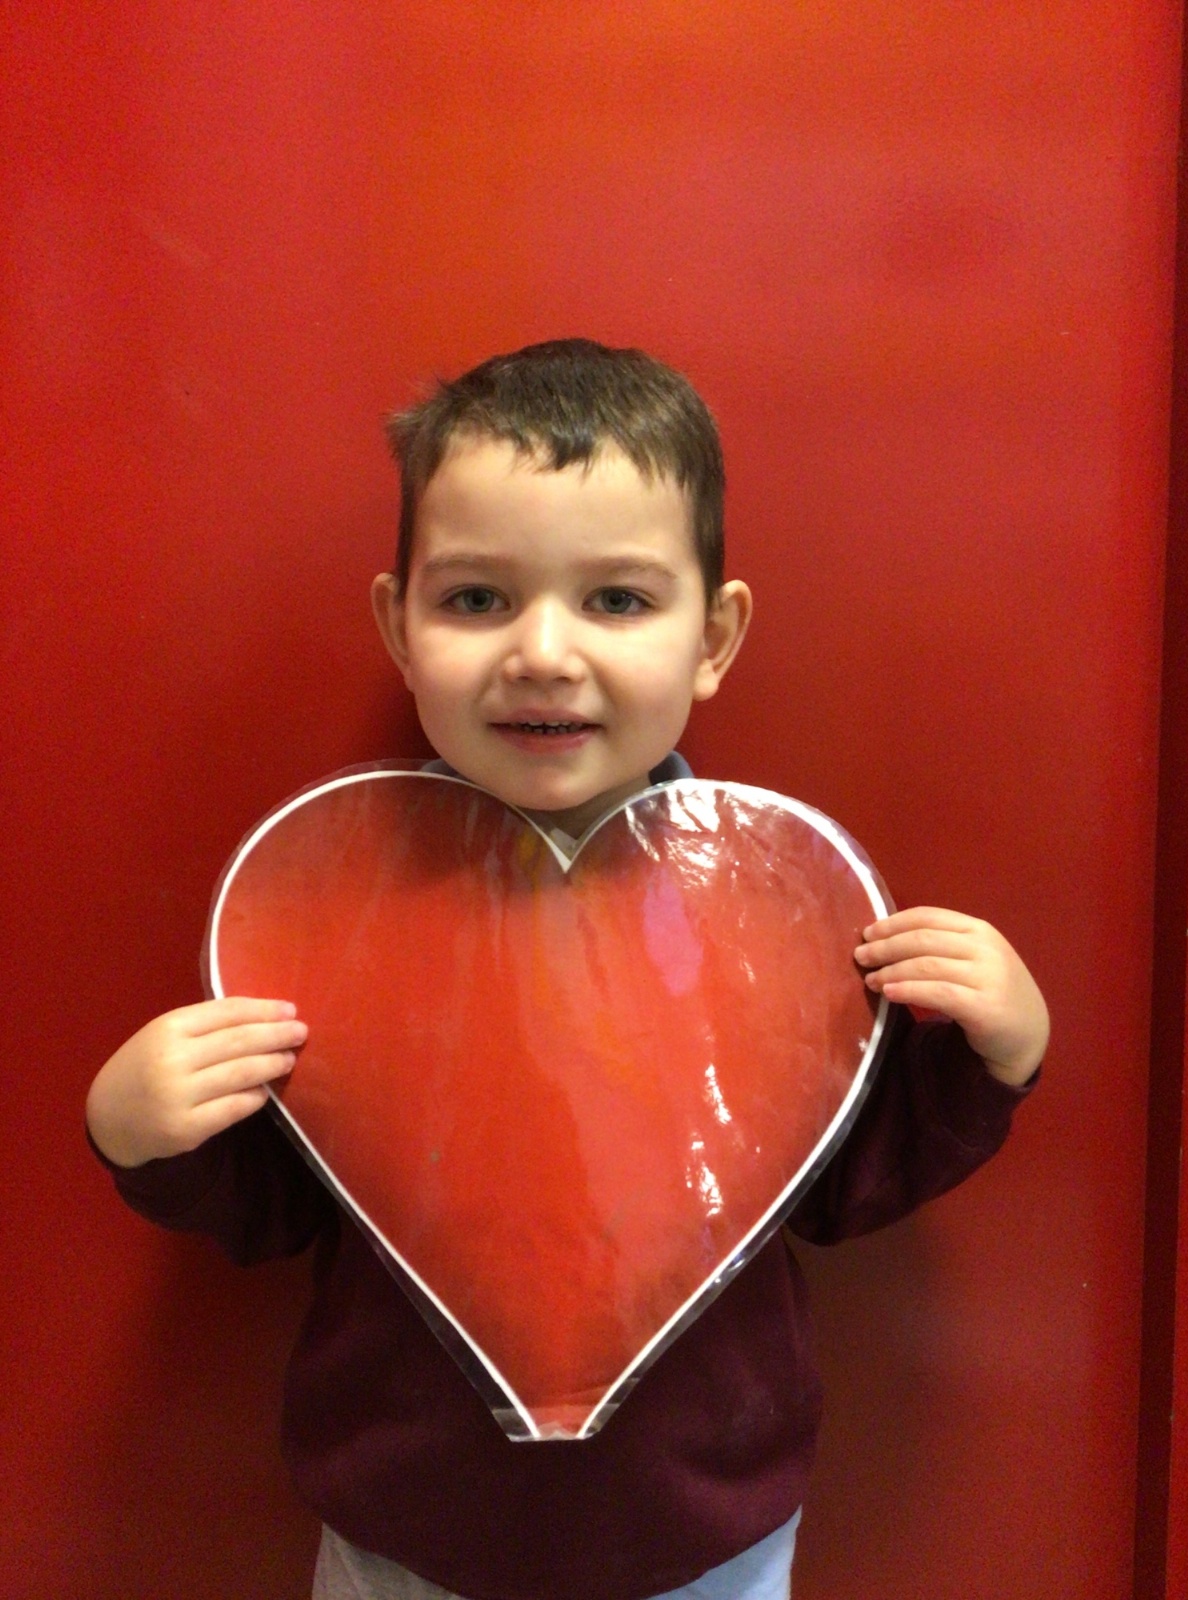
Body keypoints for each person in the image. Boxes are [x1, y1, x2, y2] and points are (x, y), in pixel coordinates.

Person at [86, 339, 1049, 1600]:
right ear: (398, 625)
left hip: (705, 1539)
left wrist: (988, 1057)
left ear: (715, 635)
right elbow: (292, 1195)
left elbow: (831, 1180)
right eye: (478, 598)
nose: (543, 650)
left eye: (619, 601)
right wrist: (147, 1133)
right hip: (404, 1535)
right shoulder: (336, 906)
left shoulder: (773, 908)